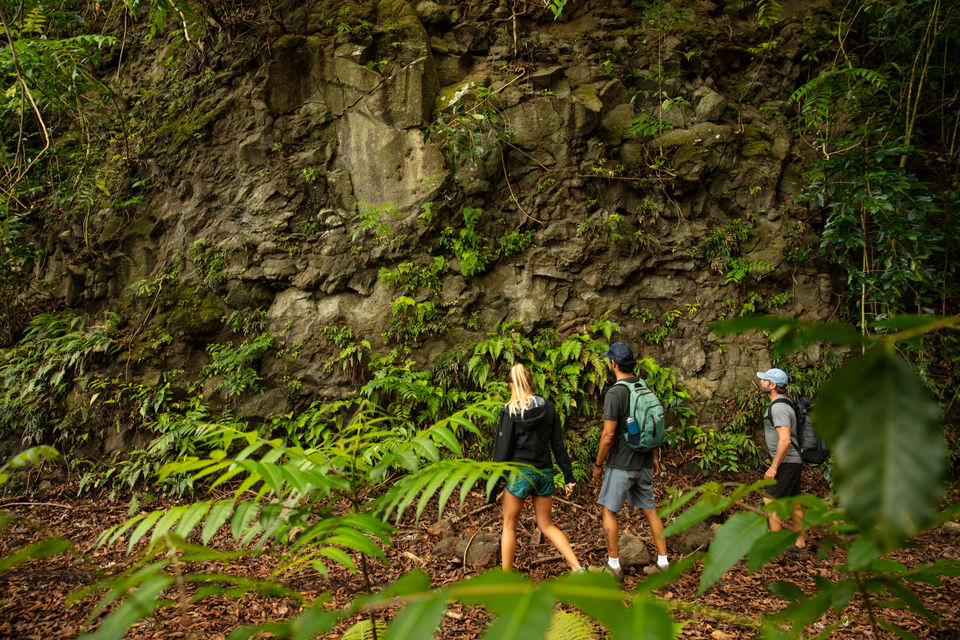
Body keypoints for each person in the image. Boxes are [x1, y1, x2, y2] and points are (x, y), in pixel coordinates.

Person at [492, 363, 584, 574]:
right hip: (544, 473)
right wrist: (568, 477)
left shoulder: (510, 411)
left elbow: (502, 451)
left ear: (513, 385)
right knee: (546, 525)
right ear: (532, 383)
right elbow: (558, 446)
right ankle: (577, 568)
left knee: (509, 526)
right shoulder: (548, 408)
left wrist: (495, 481)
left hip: (520, 474)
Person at [592, 342, 668, 580]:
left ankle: (614, 566)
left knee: (609, 510)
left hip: (621, 464)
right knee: (650, 511)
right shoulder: (643, 386)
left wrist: (597, 465)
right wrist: (654, 457)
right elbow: (652, 424)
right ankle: (664, 562)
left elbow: (608, 436)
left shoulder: (616, 392)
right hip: (644, 461)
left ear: (613, 364)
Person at [757, 367, 807, 550]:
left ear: (773, 385)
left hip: (787, 461)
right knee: (794, 503)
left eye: (765, 380)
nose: (761, 382)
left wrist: (774, 466)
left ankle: (776, 545)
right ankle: (800, 544)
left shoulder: (778, 407)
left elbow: (785, 440)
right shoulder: (785, 404)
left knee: (769, 499)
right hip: (793, 461)